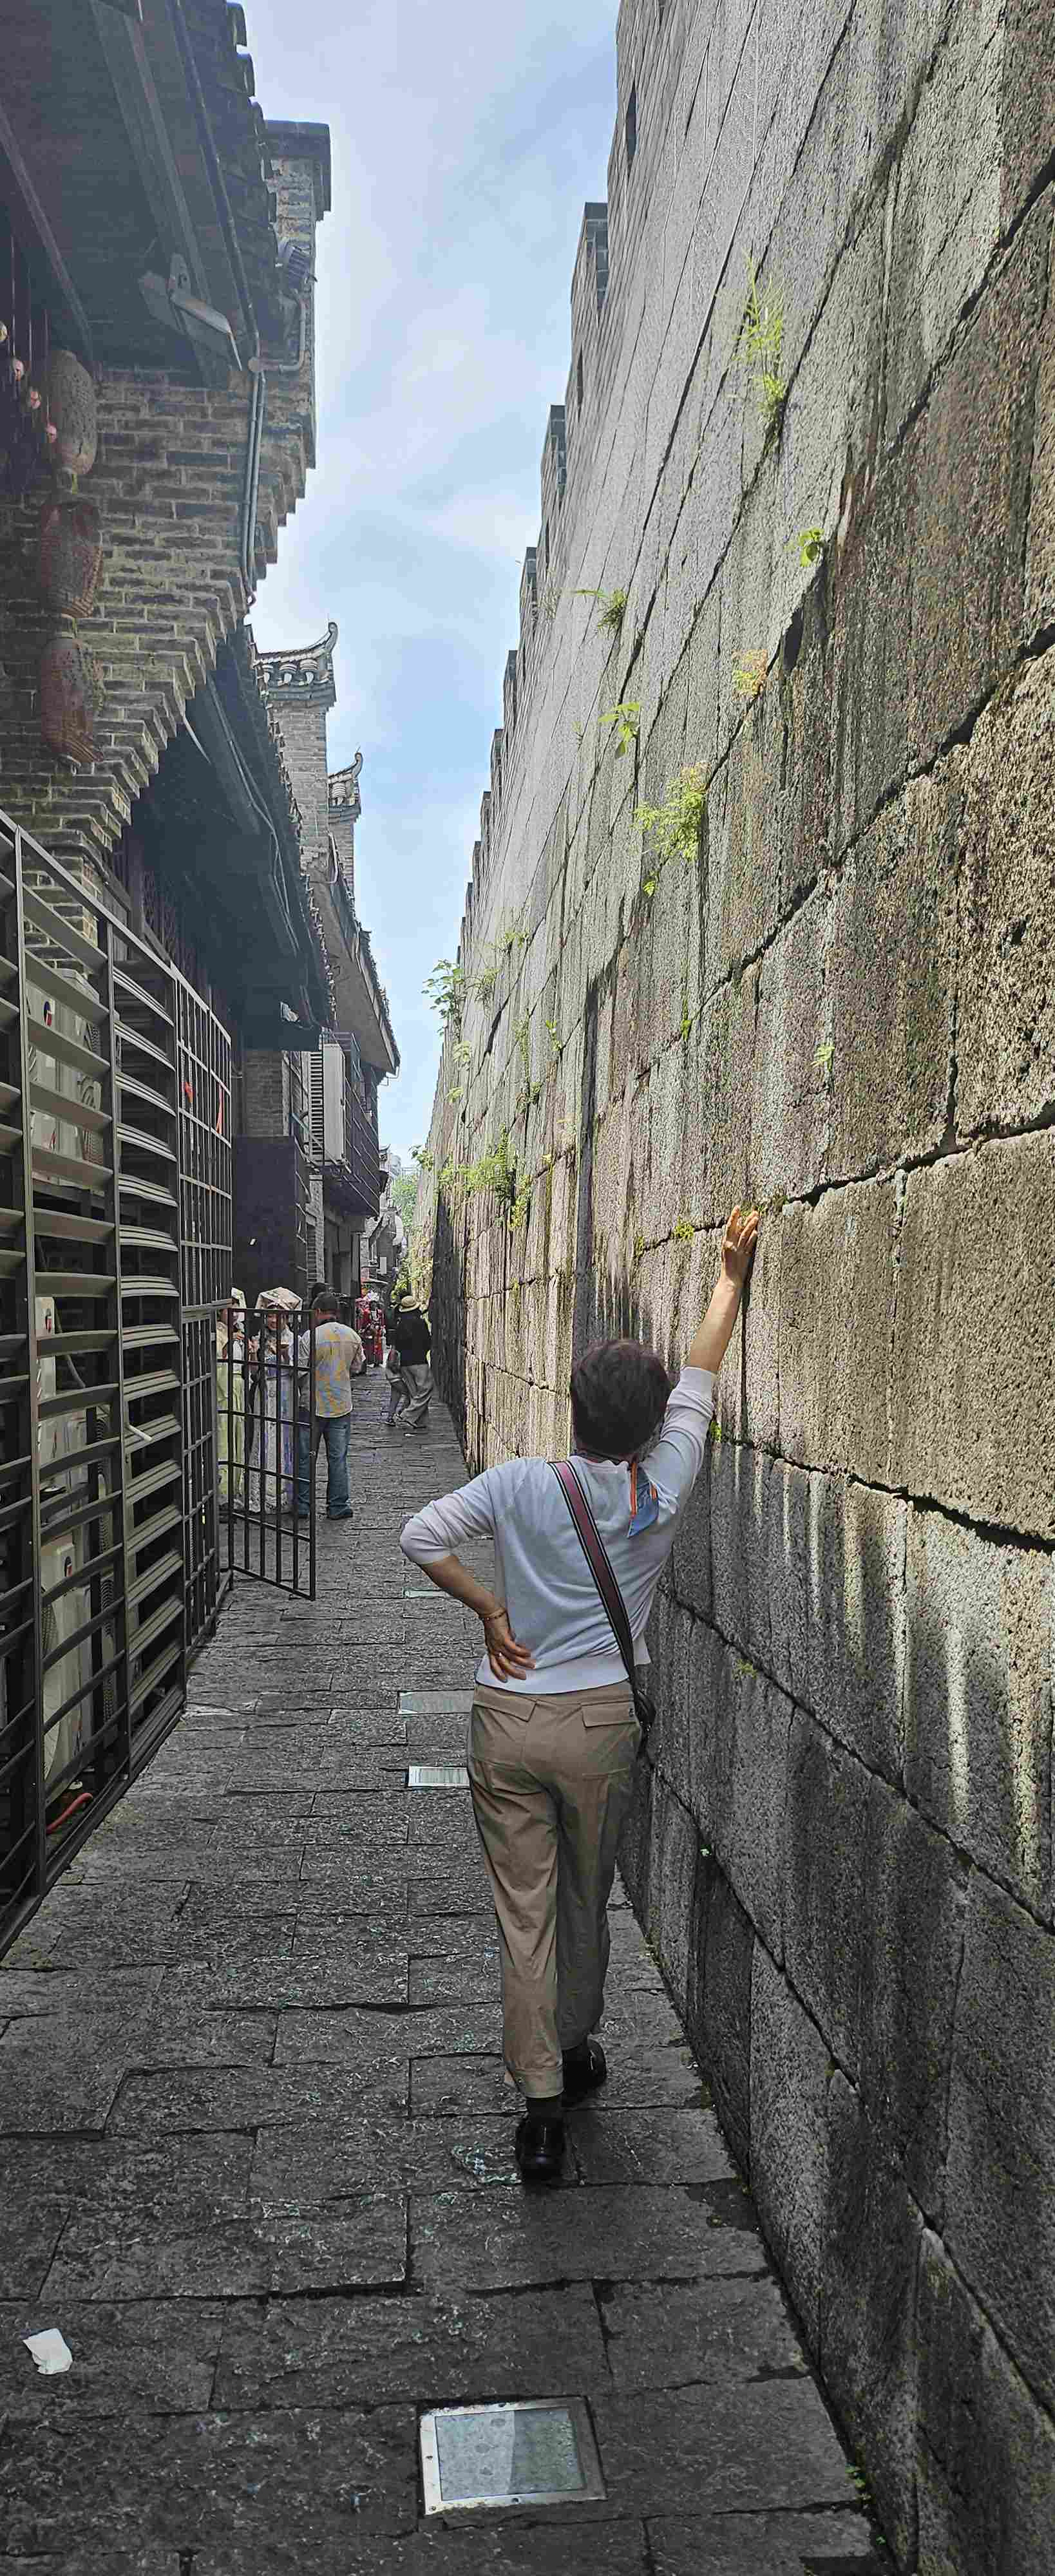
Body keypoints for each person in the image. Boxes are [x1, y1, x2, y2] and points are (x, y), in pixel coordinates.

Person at [400, 1205, 759, 2184]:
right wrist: (729, 1274)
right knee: (587, 1899)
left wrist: (487, 1612)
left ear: (572, 1408)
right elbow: (700, 1377)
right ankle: (579, 2042)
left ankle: (540, 2110)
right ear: (642, 1430)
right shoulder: (662, 1485)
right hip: (599, 1724)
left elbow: (420, 1536)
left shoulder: (520, 1483)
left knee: (524, 1910)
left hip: (507, 1720)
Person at [294, 1292, 366, 1521]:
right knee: (338, 1459)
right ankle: (337, 1505)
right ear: (337, 1312)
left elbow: (300, 1370)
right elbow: (356, 1368)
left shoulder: (310, 1337)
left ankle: (304, 1505)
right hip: (341, 1404)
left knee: (306, 1458)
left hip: (312, 1404)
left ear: (317, 1312)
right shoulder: (352, 1336)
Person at [247, 1292, 298, 1517]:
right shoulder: (258, 1341)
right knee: (264, 1436)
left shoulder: (293, 1340)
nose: (274, 1321)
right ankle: (261, 1494)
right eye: (270, 1316)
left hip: (285, 1391)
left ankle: (284, 1495)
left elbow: (300, 1372)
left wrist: (286, 1357)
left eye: (279, 1316)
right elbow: (253, 1373)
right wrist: (253, 1359)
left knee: (284, 1438)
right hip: (265, 1391)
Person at [388, 1293, 433, 1432]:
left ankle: (420, 1422)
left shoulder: (400, 1324)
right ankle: (407, 1414)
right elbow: (427, 1342)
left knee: (415, 1393)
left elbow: (398, 1344)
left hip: (405, 1363)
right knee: (426, 1389)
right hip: (419, 1361)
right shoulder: (420, 1323)